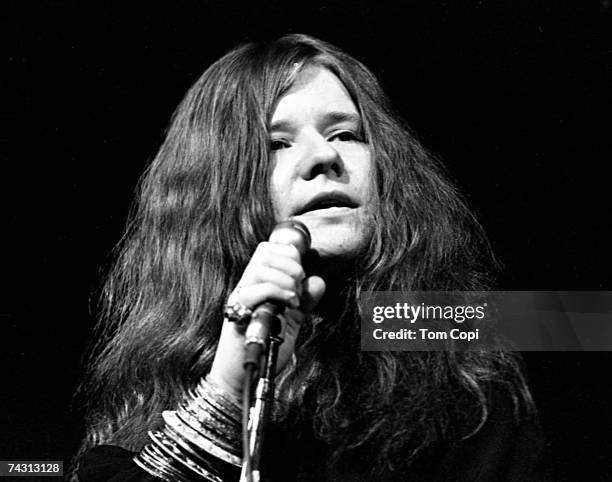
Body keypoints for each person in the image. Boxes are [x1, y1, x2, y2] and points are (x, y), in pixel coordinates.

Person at [71, 34, 547, 481]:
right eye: (277, 144)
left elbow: (573, 324)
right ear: (215, 193)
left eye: (345, 134)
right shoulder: (158, 390)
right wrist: (225, 395)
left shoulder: (442, 323)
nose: (324, 156)